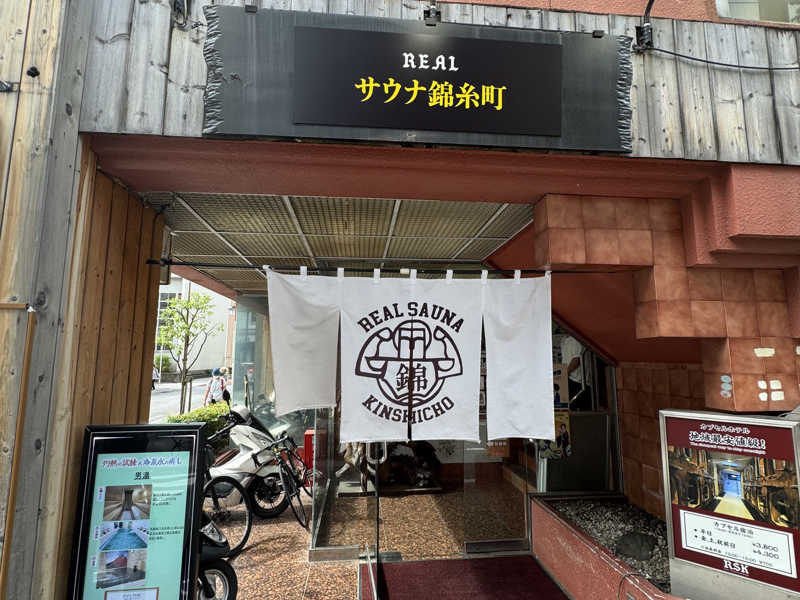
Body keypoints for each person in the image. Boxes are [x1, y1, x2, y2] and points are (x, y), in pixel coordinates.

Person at [560, 335, 592, 411]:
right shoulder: (564, 340)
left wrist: (564, 374)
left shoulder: (576, 339)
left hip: (579, 380)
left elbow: (576, 360)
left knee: (580, 410)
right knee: (569, 409)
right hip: (569, 378)